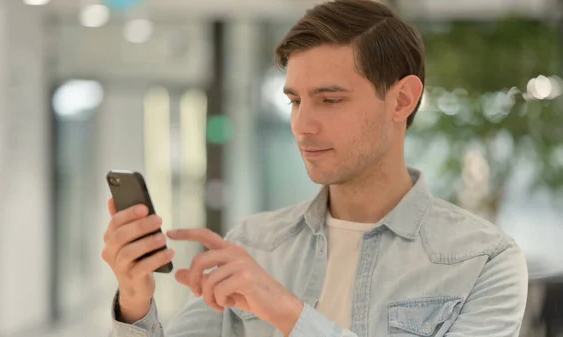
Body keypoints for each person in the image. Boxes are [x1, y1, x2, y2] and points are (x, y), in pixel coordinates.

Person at [101, 1, 529, 336]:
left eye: (330, 99)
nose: (302, 125)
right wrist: (135, 299)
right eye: (294, 101)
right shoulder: (254, 244)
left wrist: (286, 312)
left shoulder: (485, 262)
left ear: (401, 100)